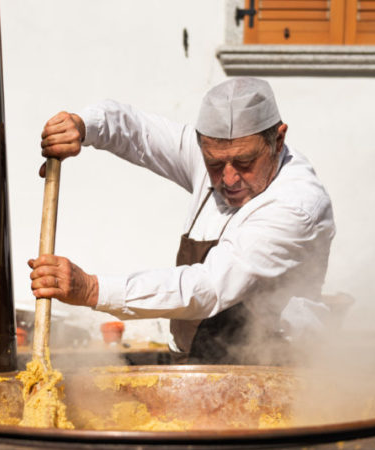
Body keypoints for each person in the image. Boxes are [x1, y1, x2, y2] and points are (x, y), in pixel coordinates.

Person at [28, 78, 335, 364]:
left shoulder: (296, 205)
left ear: (278, 141)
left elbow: (209, 286)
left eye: (245, 162)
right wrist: (82, 126)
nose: (229, 179)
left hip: (275, 369)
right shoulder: (208, 152)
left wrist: (93, 290)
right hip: (200, 362)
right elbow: (135, 131)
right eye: (214, 164)